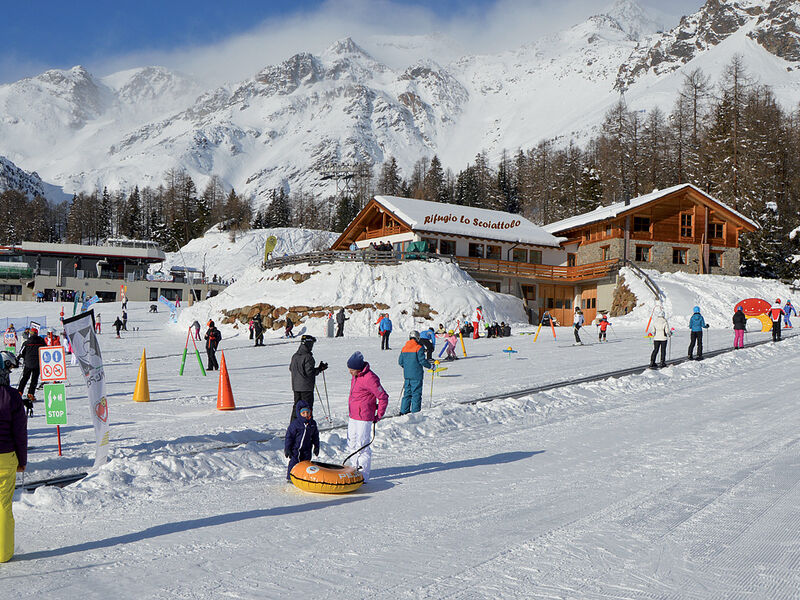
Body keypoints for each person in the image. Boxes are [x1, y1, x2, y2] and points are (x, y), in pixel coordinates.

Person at [0, 350, 27, 563]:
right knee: (3, 506)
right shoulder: (13, 397)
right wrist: (22, 461)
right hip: (6, 457)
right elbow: (20, 432)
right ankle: (3, 553)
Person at [346, 351, 388, 481]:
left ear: (358, 368)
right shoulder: (356, 376)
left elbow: (383, 397)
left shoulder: (370, 378)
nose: (350, 372)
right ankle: (354, 468)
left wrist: (378, 415)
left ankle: (363, 475)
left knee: (362, 445)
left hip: (364, 417)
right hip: (353, 415)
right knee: (351, 442)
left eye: (352, 370)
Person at [289, 335, 328, 423]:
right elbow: (309, 372)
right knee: (307, 407)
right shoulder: (308, 357)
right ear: (308, 344)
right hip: (306, 387)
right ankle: (307, 426)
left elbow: (291, 368)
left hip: (296, 386)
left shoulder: (295, 356)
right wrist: (319, 369)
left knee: (297, 406)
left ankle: (293, 425)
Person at [284, 401, 319, 481]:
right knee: (294, 463)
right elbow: (289, 437)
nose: (306, 415)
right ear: (299, 413)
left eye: (307, 412)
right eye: (303, 413)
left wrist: (316, 446)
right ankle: (290, 478)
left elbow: (315, 436)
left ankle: (303, 478)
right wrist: (288, 448)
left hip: (307, 449)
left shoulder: (312, 423)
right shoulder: (295, 424)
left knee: (306, 464)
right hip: (296, 449)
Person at [398, 331, 432, 415]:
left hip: (407, 375)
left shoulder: (404, 348)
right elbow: (422, 361)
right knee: (416, 394)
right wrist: (431, 366)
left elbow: (400, 362)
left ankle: (403, 411)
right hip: (417, 375)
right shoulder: (418, 347)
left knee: (407, 393)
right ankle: (415, 412)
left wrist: (408, 367)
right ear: (417, 338)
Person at [16, 327, 45, 406]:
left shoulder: (27, 342)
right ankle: (30, 394)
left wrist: (20, 358)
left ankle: (19, 392)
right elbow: (46, 350)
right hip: (37, 363)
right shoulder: (41, 341)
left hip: (28, 363)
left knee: (25, 378)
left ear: (31, 334)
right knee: (34, 379)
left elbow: (21, 352)